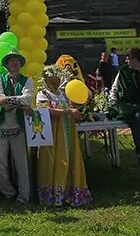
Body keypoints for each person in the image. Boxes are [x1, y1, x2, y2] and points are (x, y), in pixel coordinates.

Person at [36, 65, 92, 207]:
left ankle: (72, 194)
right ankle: (55, 195)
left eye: (58, 76)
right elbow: (46, 111)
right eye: (53, 76)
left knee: (71, 159)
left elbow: (75, 105)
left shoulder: (63, 93)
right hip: (54, 134)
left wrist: (80, 110)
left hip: (68, 132)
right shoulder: (43, 94)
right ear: (46, 78)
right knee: (56, 161)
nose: (57, 79)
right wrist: (68, 112)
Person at [0, 51, 34, 204]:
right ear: (7, 64)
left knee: (22, 163)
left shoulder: (27, 80)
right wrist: (19, 103)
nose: (14, 63)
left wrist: (7, 100)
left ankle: (24, 196)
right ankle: (8, 192)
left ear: (20, 64)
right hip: (1, 126)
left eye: (16, 61)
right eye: (11, 61)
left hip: (18, 127)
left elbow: (27, 98)